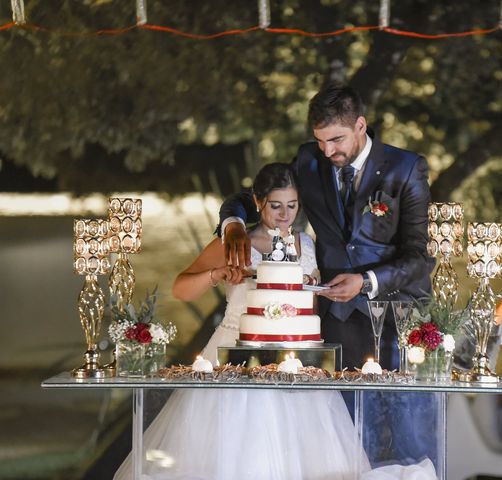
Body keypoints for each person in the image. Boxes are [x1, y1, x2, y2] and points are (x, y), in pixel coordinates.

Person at [113, 162, 437, 480]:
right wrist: (218, 273)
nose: (284, 215)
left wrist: (316, 287)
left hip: (297, 361)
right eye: (276, 206)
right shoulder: (236, 243)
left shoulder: (306, 245)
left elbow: (302, 303)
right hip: (233, 356)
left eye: (292, 206)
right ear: (257, 201)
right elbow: (181, 288)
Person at [218, 83, 437, 466]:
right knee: (348, 443)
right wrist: (234, 223)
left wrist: (366, 281)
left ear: (360, 126)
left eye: (335, 140)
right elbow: (257, 192)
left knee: (410, 437)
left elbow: (419, 257)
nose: (328, 151)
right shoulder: (309, 162)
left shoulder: (406, 167)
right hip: (338, 324)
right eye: (319, 141)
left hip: (400, 323)